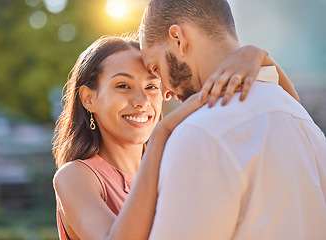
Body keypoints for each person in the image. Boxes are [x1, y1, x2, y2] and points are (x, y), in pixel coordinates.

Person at [52, 35, 301, 239]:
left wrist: (262, 58)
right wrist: (161, 134)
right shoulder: (75, 176)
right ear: (88, 98)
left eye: (151, 87)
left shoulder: (173, 161)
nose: (141, 101)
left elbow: (295, 123)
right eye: (123, 86)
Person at [139, 0, 326, 239]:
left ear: (178, 38)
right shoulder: (305, 124)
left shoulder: (200, 134)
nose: (163, 90)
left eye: (155, 68)